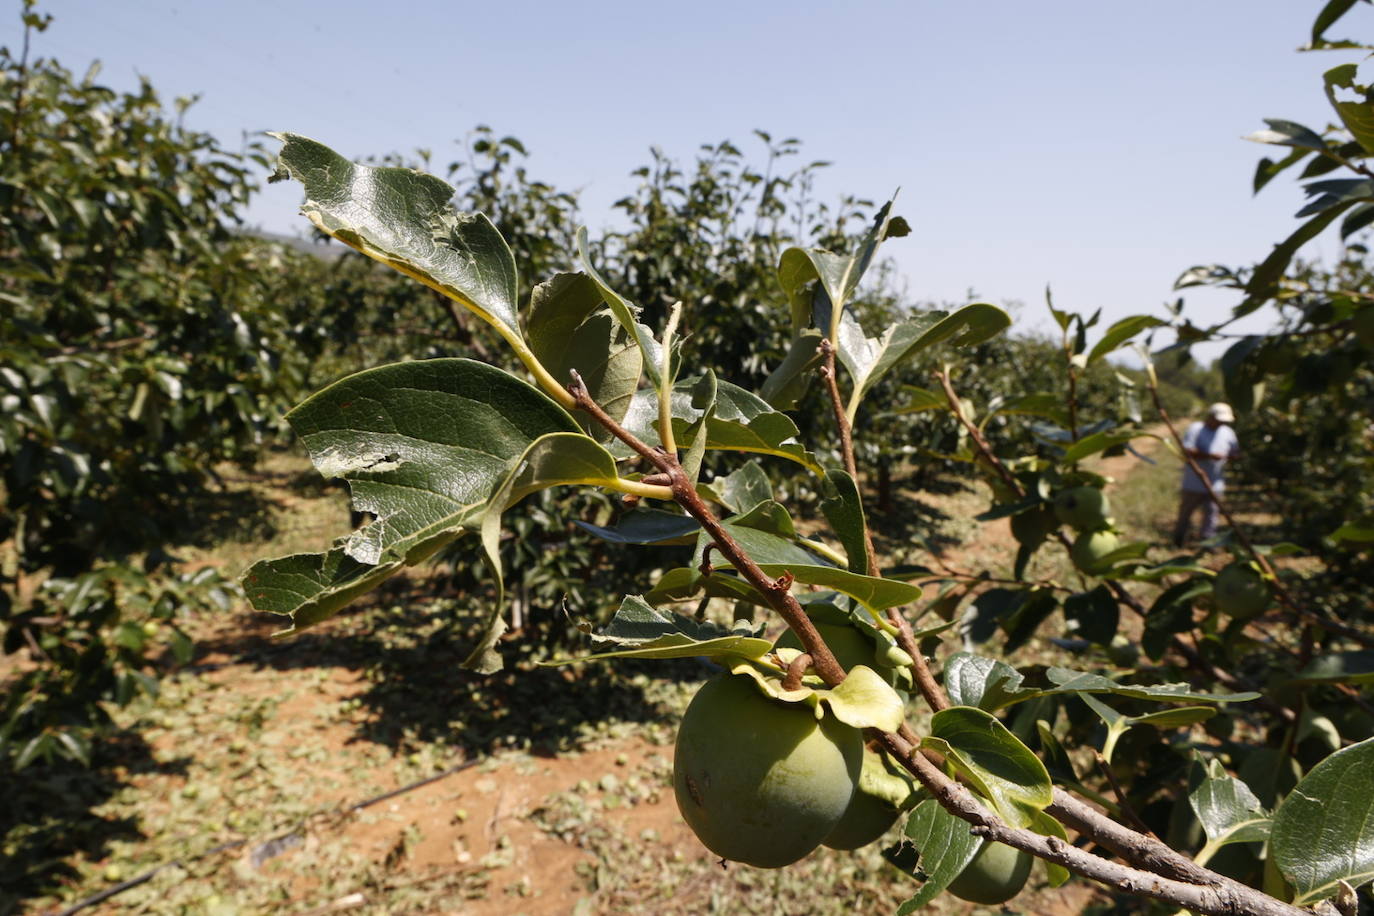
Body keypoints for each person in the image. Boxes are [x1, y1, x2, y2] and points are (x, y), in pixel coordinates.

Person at [1172, 402, 1240, 546]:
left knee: (1211, 514)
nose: (1220, 423)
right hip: (1193, 483)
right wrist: (1209, 456)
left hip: (1216, 483)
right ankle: (1179, 539)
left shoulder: (1227, 432)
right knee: (1186, 512)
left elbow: (1235, 451)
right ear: (1210, 417)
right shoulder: (1196, 429)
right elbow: (1188, 451)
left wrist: (1232, 456)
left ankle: (1208, 542)